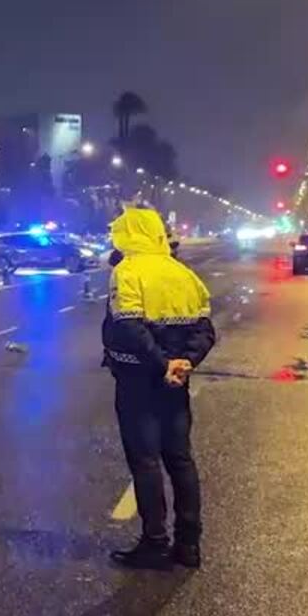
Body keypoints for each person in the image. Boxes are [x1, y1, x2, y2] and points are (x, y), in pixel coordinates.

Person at [102, 206, 216, 571]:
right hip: (176, 383)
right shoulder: (184, 274)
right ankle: (189, 544)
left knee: (146, 461)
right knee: (180, 459)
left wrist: (162, 364)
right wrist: (185, 363)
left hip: (139, 381)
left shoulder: (127, 272)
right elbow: (205, 329)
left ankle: (154, 542)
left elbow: (128, 327)